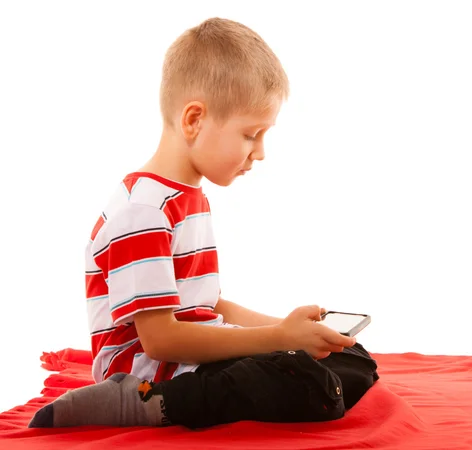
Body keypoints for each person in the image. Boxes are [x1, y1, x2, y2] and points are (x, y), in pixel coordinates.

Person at [29, 17, 378, 430]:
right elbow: (161, 341)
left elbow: (209, 305)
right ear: (194, 119)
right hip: (154, 372)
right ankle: (141, 402)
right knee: (308, 384)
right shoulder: (142, 211)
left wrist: (291, 328)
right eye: (251, 134)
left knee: (353, 361)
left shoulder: (189, 199)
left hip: (193, 362)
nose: (260, 152)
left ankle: (218, 386)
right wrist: (280, 340)